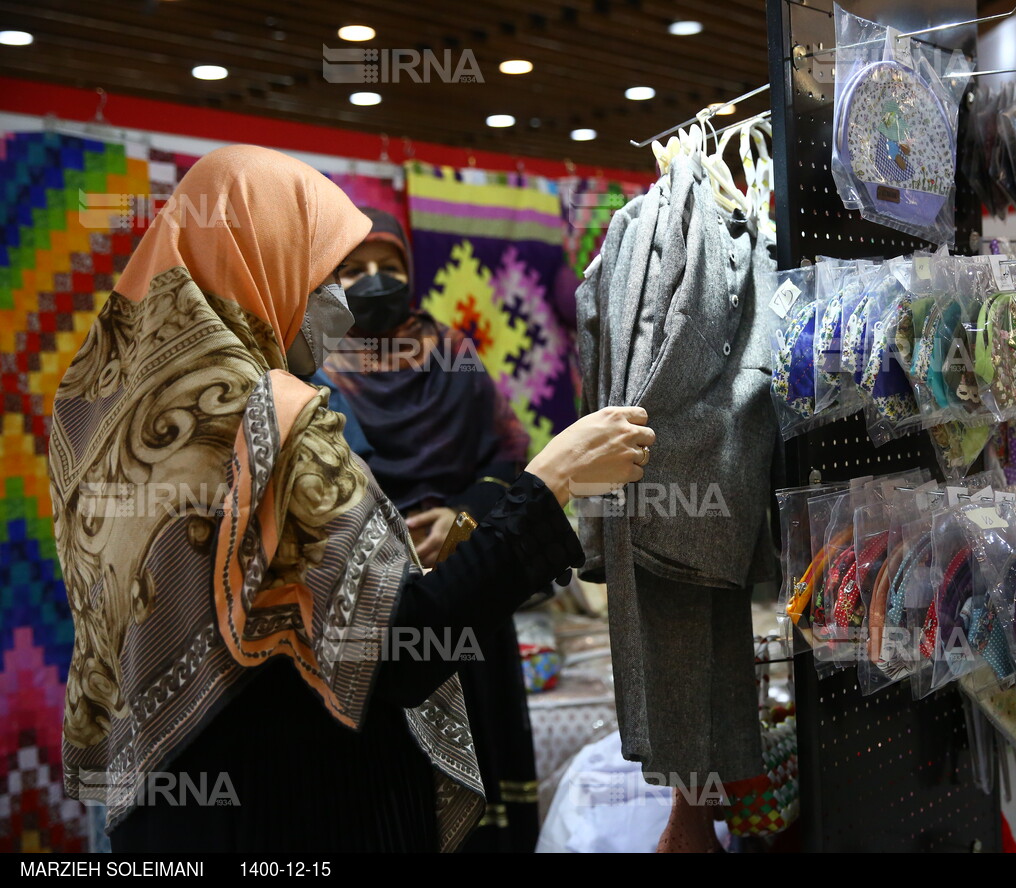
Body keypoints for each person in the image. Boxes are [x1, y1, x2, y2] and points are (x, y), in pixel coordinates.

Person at [46, 145, 656, 852]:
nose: (339, 299)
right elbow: (395, 648)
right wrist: (547, 488)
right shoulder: (269, 418)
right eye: (325, 271)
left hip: (169, 804)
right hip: (303, 803)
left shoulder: (92, 412)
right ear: (261, 258)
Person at [309, 207, 542, 851]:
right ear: (328, 281)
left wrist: (462, 517)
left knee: (486, 798)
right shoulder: (314, 371)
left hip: (467, 582)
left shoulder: (454, 356)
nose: (375, 281)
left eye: (390, 267)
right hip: (375, 600)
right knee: (395, 795)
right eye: (353, 270)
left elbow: (508, 457)